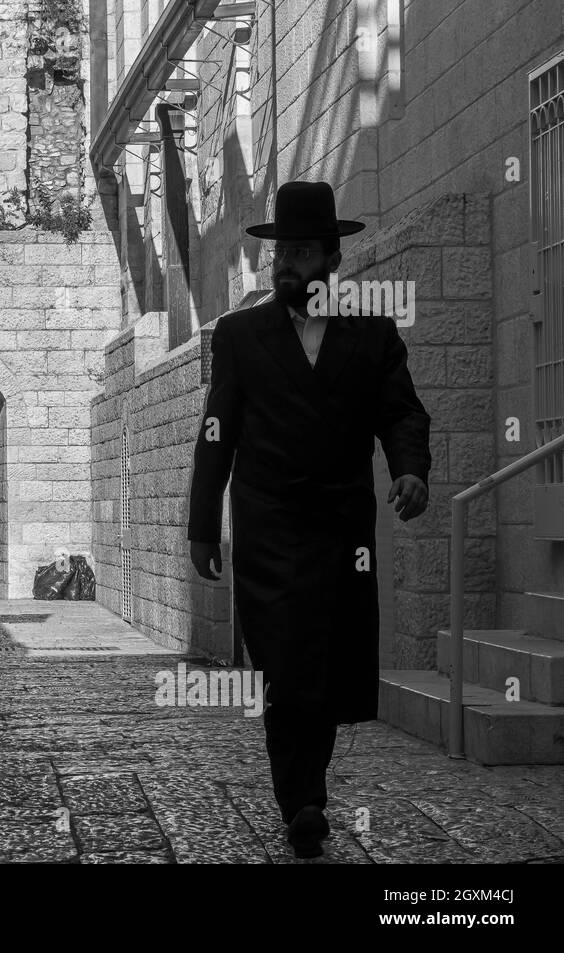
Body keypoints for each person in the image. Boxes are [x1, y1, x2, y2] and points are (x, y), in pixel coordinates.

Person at [186, 180, 431, 859]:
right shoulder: (239, 336)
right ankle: (303, 800)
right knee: (286, 664)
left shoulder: (372, 333)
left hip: (342, 531)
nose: (288, 264)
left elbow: (402, 412)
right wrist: (202, 524)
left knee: (324, 669)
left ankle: (306, 790)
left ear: (332, 257)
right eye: (281, 252)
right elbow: (216, 433)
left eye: (302, 251)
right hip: (267, 526)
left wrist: (411, 469)